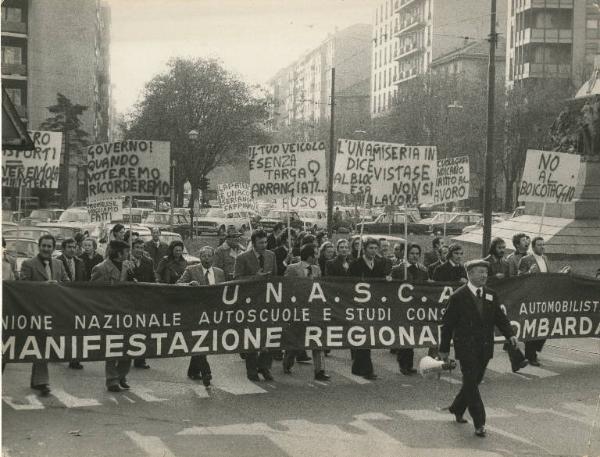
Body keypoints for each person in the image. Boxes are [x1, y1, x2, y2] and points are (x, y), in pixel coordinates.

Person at [438, 259, 518, 438]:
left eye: (485, 272)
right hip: (465, 347)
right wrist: (443, 350)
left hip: (485, 347)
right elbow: (447, 325)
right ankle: (480, 422)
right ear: (470, 274)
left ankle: (457, 408)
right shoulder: (458, 296)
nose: (484, 275)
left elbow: (499, 316)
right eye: (480, 272)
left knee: (474, 381)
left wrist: (509, 334)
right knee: (471, 383)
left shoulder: (490, 294)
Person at [19, 234, 69, 396]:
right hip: (35, 311)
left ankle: (37, 380)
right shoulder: (28, 264)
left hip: (54, 310)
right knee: (41, 343)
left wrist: (59, 285)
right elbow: (22, 287)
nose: (46, 249)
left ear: (54, 248)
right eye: (44, 246)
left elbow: (68, 283)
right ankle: (42, 381)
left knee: (45, 344)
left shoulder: (59, 264)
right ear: (39, 247)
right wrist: (43, 286)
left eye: (49, 246)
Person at [177, 246, 226, 387]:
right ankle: (206, 372)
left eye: (209, 256)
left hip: (213, 314)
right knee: (200, 341)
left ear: (213, 257)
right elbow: (178, 285)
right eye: (204, 256)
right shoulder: (192, 270)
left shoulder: (219, 273)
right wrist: (188, 284)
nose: (207, 259)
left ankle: (193, 370)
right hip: (196, 313)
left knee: (203, 342)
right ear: (200, 257)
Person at [91, 240, 136, 392]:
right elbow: (95, 293)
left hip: (127, 313)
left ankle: (121, 375)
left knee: (129, 346)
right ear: (118, 253)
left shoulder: (127, 266)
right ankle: (112, 380)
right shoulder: (101, 268)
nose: (128, 255)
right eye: (126, 252)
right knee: (113, 347)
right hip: (109, 313)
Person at [234, 229, 278, 381]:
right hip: (250, 302)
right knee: (252, 336)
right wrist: (255, 277)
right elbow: (237, 279)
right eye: (261, 243)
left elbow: (276, 278)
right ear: (253, 243)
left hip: (267, 301)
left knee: (269, 336)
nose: (264, 245)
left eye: (265, 242)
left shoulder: (271, 256)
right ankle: (251, 369)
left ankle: (264, 367)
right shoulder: (242, 258)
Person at [283, 244, 330, 381]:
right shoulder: (292, 268)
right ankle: (288, 362)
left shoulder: (317, 269)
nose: (317, 257)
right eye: (315, 254)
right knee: (296, 339)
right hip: (298, 308)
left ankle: (319, 370)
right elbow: (286, 286)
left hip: (314, 308)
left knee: (317, 338)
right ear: (310, 256)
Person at [348, 237, 384, 380]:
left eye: (376, 248)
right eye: (371, 248)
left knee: (368, 335)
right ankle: (365, 369)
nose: (373, 251)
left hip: (372, 304)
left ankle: (360, 367)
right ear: (364, 249)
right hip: (359, 303)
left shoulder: (379, 264)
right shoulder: (356, 264)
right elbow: (349, 282)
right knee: (363, 334)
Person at [391, 243, 428, 375]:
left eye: (417, 254)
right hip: (402, 307)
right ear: (407, 254)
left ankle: (409, 364)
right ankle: (403, 364)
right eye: (412, 253)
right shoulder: (398, 269)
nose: (415, 256)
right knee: (403, 335)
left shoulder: (423, 270)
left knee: (412, 336)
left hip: (416, 307)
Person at [518, 236, 551, 366]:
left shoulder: (545, 258)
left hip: (544, 297)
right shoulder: (525, 260)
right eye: (539, 245)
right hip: (531, 298)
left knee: (545, 325)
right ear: (533, 247)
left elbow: (549, 277)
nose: (542, 247)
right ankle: (531, 356)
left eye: (543, 244)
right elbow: (519, 278)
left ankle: (534, 349)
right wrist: (529, 273)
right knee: (533, 328)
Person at [58, 237, 87, 369]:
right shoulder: (57, 261)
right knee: (61, 329)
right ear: (63, 249)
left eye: (74, 247)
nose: (72, 249)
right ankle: (57, 352)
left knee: (76, 330)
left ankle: (74, 359)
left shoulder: (80, 262)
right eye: (69, 247)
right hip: (61, 300)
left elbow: (85, 280)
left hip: (77, 301)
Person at [128, 238, 156, 369]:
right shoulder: (126, 261)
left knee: (143, 330)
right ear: (132, 248)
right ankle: (126, 357)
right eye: (137, 247)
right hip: (129, 301)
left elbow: (152, 279)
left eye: (141, 247)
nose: (139, 250)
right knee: (129, 330)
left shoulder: (149, 262)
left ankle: (140, 359)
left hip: (144, 301)